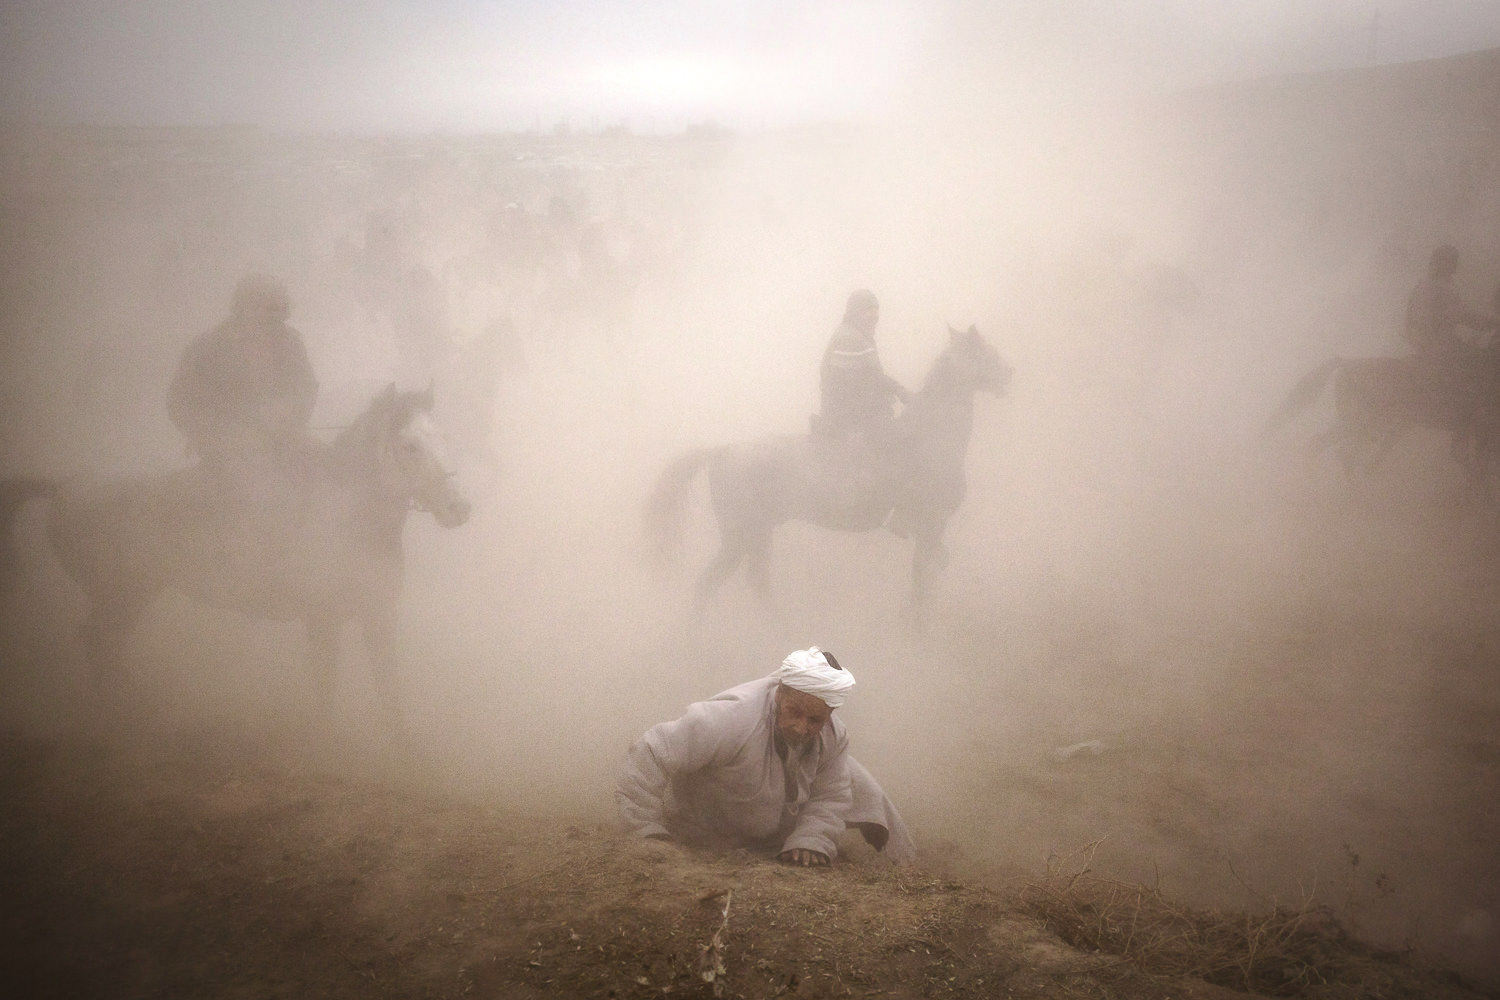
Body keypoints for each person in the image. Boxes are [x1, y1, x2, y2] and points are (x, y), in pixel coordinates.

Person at [616, 647, 915, 867]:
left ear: (831, 713)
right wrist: (646, 830)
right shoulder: (731, 718)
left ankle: (907, 864)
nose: (802, 727)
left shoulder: (832, 735)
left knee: (862, 784)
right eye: (794, 712)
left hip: (773, 832)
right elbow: (652, 752)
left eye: (815, 719)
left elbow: (831, 796)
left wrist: (811, 842)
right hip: (705, 826)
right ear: (780, 693)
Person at [167, 273, 319, 554]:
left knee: (327, 472)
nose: (270, 319)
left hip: (285, 439)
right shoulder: (208, 348)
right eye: (261, 308)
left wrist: (290, 413)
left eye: (276, 310)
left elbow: (307, 389)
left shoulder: (290, 343)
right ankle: (256, 558)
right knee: (260, 488)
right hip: (227, 446)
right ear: (242, 307)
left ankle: (317, 553)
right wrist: (219, 431)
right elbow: (179, 402)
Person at [1402, 245, 1498, 462]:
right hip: (1443, 348)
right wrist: (1493, 321)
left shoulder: (1422, 286)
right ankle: (1471, 421)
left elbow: (1410, 320)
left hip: (1426, 347)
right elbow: (1466, 316)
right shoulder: (1441, 288)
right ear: (1443, 263)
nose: (1455, 267)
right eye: (1452, 262)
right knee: (1484, 369)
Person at [816, 289, 910, 444]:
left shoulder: (858, 335)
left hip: (854, 418)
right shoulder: (850, 339)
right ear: (855, 313)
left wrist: (900, 391)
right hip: (850, 423)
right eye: (869, 312)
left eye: (876, 312)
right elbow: (845, 388)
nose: (874, 317)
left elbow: (873, 376)